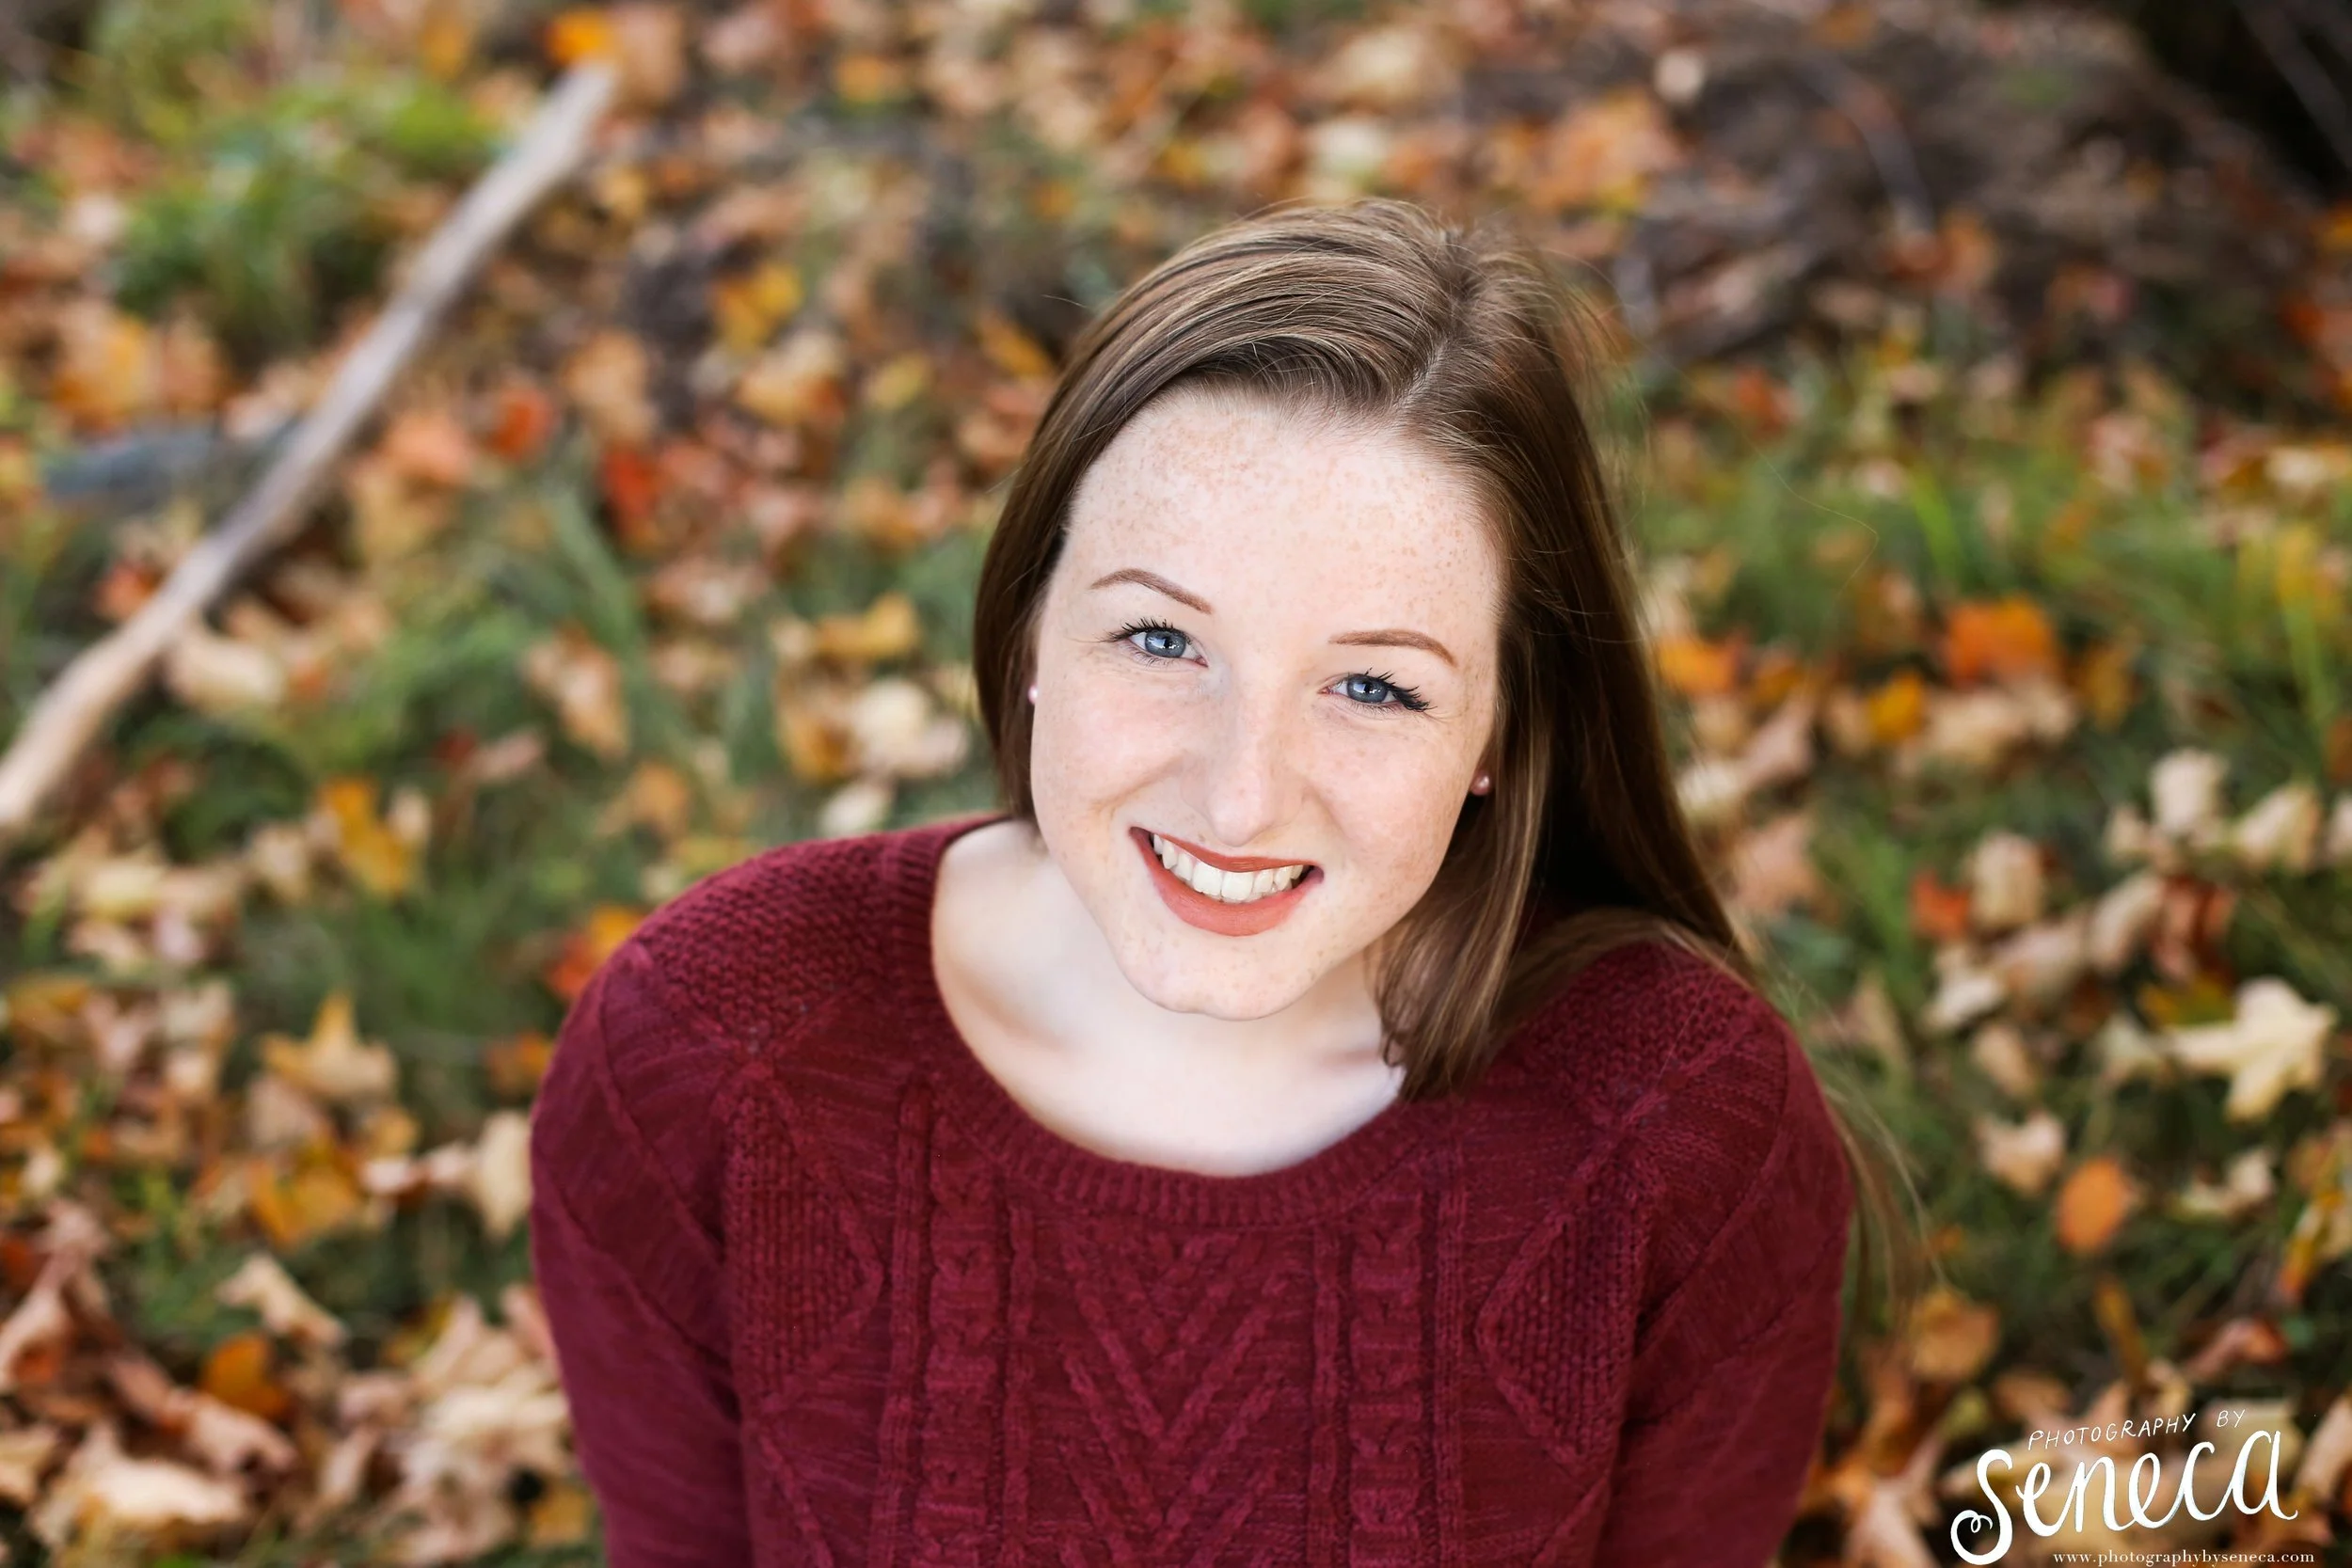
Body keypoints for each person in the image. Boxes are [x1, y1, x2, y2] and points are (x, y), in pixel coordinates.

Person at [529, 197, 1907, 1566]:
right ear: (1032, 628)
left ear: (1500, 729)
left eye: (1374, 686)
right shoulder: (705, 1053)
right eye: (1159, 640)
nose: (1241, 798)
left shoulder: (1683, 1131)